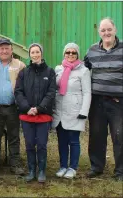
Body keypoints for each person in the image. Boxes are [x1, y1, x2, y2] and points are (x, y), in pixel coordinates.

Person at [84, 17, 123, 181]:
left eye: (109, 29)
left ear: (115, 30)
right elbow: (82, 71)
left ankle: (120, 171)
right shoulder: (92, 50)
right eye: (103, 30)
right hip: (97, 101)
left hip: (118, 102)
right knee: (96, 135)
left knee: (119, 136)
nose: (106, 33)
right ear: (99, 32)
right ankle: (97, 167)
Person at [14, 43, 56, 183]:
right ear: (29, 54)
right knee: (30, 144)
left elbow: (51, 93)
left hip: (43, 116)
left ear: (41, 54)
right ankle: (32, 170)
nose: (35, 54)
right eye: (32, 52)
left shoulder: (50, 72)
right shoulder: (24, 72)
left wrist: (39, 108)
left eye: (37, 52)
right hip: (27, 115)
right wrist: (27, 108)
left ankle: (42, 170)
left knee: (42, 144)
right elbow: (18, 92)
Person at [0, 38, 26, 176]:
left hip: (13, 107)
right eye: (1, 48)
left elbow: (25, 86)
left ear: (11, 50)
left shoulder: (20, 65)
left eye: (7, 48)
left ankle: (15, 164)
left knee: (14, 137)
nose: (4, 51)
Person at [52, 43, 91, 179]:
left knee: (73, 140)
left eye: (73, 53)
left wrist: (84, 112)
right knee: (61, 140)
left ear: (77, 55)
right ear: (64, 54)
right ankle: (63, 166)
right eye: (68, 52)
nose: (70, 55)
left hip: (75, 110)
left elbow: (87, 93)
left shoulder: (83, 71)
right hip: (60, 110)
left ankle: (73, 167)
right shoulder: (58, 69)